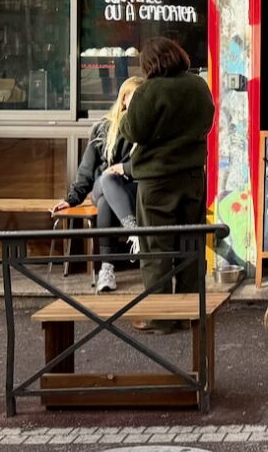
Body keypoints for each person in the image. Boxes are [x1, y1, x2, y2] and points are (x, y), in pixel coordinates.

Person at [121, 37, 216, 334]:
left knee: (156, 251)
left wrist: (125, 115)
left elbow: (132, 129)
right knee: (191, 246)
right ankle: (191, 313)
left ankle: (161, 317)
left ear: (151, 63)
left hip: (156, 182)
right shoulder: (198, 86)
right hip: (192, 177)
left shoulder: (149, 91)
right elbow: (208, 123)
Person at [51, 76, 145, 293]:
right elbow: (86, 169)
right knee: (107, 178)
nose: (140, 102)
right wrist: (71, 199)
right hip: (102, 186)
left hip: (133, 189)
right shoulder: (103, 128)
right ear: (124, 100)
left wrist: (125, 169)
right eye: (135, 97)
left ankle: (107, 269)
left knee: (104, 204)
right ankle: (134, 231)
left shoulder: (146, 128)